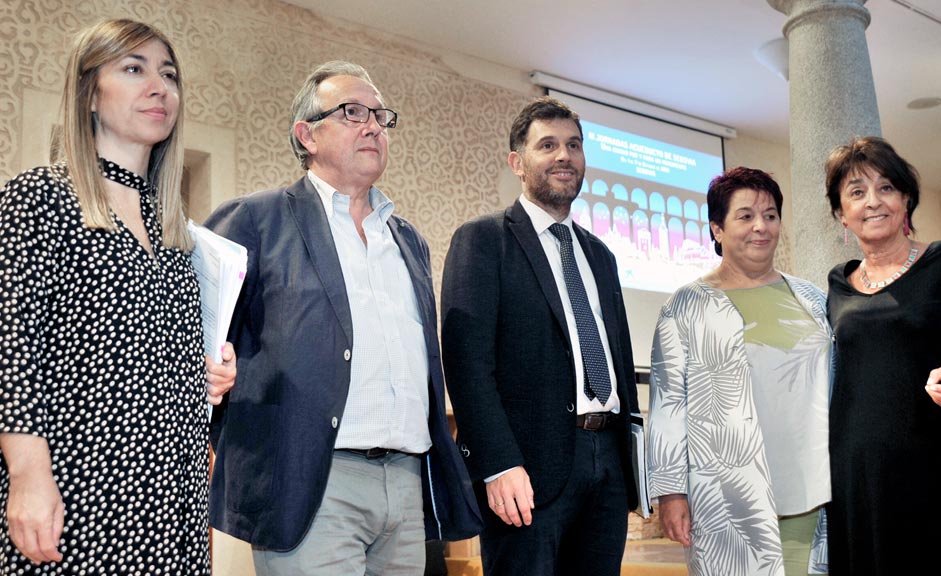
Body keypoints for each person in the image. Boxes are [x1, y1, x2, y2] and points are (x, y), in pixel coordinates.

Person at [204, 60, 480, 576]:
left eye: (380, 115)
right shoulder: (255, 220)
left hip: (405, 482)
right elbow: (198, 342)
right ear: (306, 135)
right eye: (353, 112)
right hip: (312, 481)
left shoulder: (408, 240)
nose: (374, 125)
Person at [0, 19, 236, 574]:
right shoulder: (40, 196)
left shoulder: (176, 231)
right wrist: (29, 479)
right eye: (134, 69)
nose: (160, 87)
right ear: (88, 93)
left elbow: (144, 352)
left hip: (174, 500)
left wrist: (204, 374)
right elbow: (11, 350)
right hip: (78, 493)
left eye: (169, 74)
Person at [441, 96, 640, 576]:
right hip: (525, 471)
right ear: (517, 162)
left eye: (573, 145)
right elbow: (467, 365)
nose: (563, 156)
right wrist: (497, 464)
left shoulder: (602, 256)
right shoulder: (483, 241)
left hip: (607, 463)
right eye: (547, 145)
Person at [824, 136, 941, 575]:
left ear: (906, 198)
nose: (873, 202)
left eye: (886, 187)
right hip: (860, 477)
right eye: (856, 192)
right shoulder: (837, 282)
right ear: (840, 213)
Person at [647, 167, 832, 576]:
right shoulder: (685, 306)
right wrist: (671, 493)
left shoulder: (813, 299)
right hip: (726, 495)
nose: (760, 227)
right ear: (717, 228)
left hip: (814, 489)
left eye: (770, 215)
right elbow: (667, 405)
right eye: (745, 216)